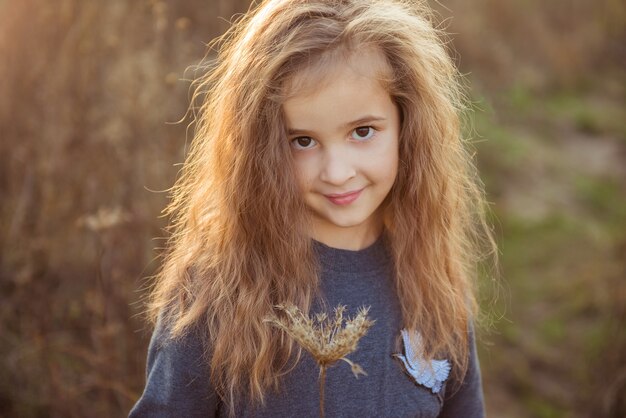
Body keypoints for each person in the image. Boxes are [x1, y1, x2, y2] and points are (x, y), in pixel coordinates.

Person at [130, 0, 497, 416]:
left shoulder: (431, 279)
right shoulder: (219, 288)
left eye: (362, 131)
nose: (337, 173)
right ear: (261, 148)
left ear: (406, 125)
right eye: (302, 141)